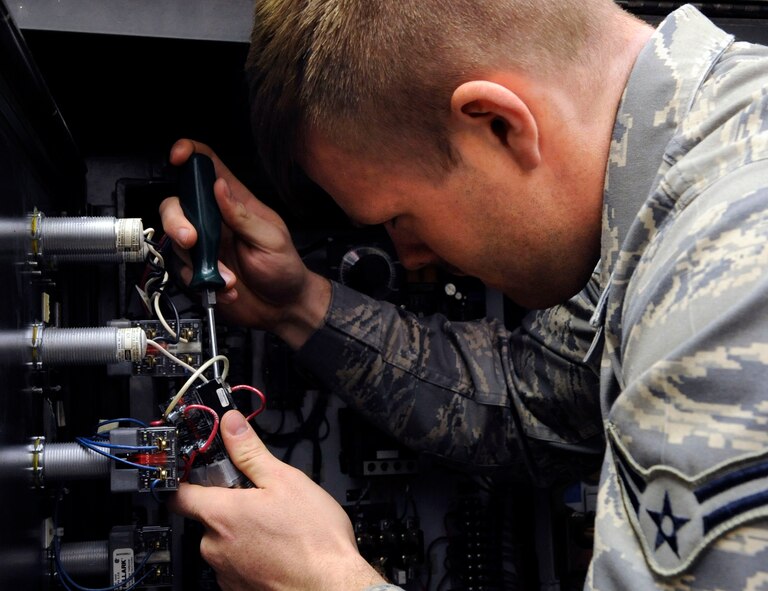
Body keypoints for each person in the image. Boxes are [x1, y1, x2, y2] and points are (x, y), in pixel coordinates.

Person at [159, 0, 768, 589]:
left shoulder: (724, 285)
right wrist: (296, 304)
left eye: (399, 218)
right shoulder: (680, 180)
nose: (409, 256)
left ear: (496, 125)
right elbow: (534, 405)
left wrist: (327, 583)